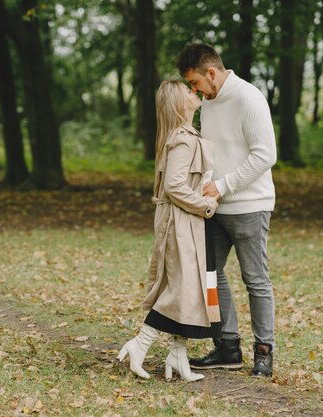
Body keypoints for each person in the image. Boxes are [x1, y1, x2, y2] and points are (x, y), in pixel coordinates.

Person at [177, 43, 277, 377]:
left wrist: (222, 185)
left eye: (195, 82)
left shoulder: (249, 98)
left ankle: (264, 351)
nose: (194, 90)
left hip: (250, 206)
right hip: (214, 208)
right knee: (209, 273)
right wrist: (206, 187)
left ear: (211, 72)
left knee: (256, 280)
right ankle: (227, 346)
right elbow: (211, 154)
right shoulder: (207, 104)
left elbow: (265, 155)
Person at [117, 80, 220, 382]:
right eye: (189, 91)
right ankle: (141, 343)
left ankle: (178, 355)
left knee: (190, 289)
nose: (195, 92)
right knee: (181, 288)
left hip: (186, 221)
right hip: (182, 221)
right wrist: (206, 205)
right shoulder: (183, 140)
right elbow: (175, 186)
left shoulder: (184, 136)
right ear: (179, 103)